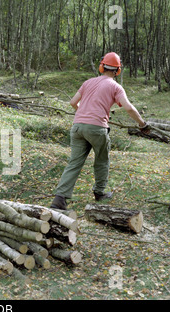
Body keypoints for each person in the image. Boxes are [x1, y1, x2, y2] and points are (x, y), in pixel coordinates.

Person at [50, 52, 150, 210]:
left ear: (102, 66)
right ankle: (99, 192)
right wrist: (142, 124)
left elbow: (73, 102)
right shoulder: (116, 86)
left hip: (77, 127)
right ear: (117, 70)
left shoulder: (88, 82)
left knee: (74, 163)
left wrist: (83, 113)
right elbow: (129, 108)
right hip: (96, 128)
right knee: (102, 160)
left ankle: (60, 198)